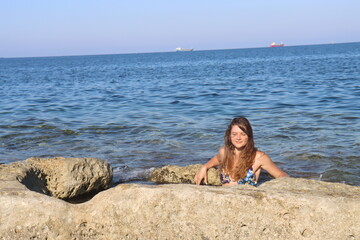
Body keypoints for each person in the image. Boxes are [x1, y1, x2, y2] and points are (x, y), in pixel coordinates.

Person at [194, 117, 289, 186]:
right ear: (229, 136)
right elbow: (214, 161)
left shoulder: (259, 157)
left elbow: (281, 175)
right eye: (234, 134)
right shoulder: (224, 152)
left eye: (243, 134)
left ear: (249, 136)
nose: (238, 138)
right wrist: (204, 167)